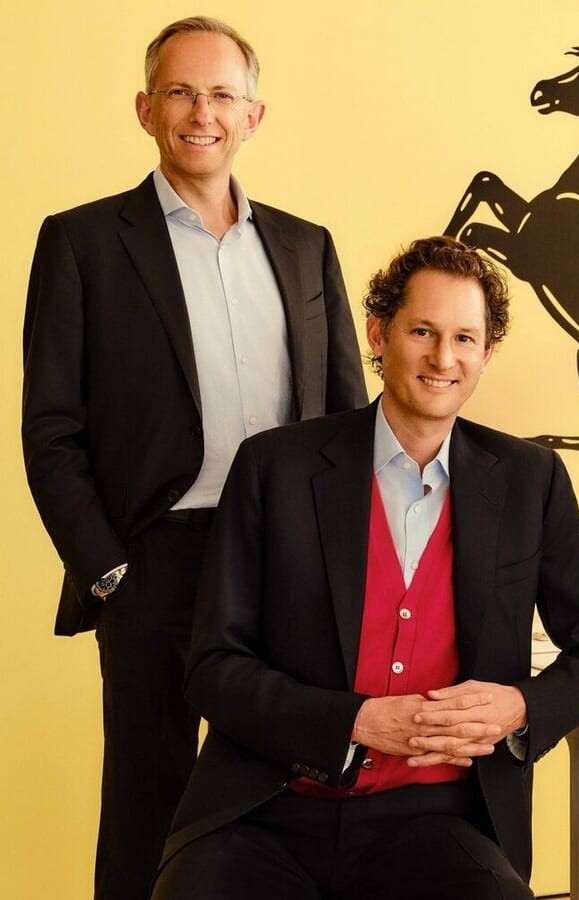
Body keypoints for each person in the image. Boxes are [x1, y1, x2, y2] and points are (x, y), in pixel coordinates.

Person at [151, 236, 579, 898]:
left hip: (436, 819)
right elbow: (213, 667)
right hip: (267, 810)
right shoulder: (274, 467)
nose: (443, 358)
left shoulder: (532, 480)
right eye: (423, 331)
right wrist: (355, 722)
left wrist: (520, 707)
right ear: (378, 334)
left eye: (465, 339)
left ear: (487, 353)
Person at [19, 17, 366, 899]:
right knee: (150, 800)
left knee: (286, 795)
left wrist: (344, 563)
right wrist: (108, 574)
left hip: (288, 560)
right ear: (146, 110)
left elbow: (345, 423)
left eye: (220, 94)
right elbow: (50, 430)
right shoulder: (83, 243)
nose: (201, 113)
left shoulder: (306, 245)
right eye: (179, 92)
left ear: (254, 115)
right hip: (155, 562)